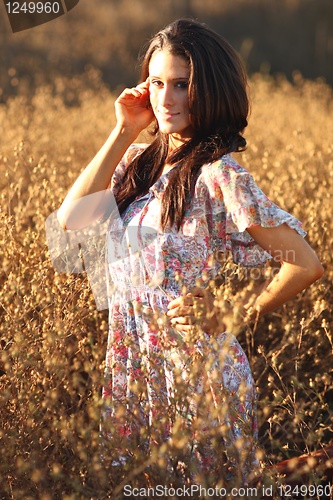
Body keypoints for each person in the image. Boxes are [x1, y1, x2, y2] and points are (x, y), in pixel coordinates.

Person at [57, 19, 323, 485]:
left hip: (196, 376)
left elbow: (306, 263)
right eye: (157, 83)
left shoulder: (220, 174)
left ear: (210, 89)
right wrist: (123, 131)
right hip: (133, 368)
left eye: (181, 85)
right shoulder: (136, 164)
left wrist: (233, 314)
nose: (165, 98)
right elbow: (70, 221)